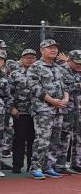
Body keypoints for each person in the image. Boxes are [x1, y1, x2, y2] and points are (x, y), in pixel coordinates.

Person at [27, 39, 69, 180]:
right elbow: (34, 87)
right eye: (50, 47)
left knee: (55, 140)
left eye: (55, 48)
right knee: (42, 139)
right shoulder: (35, 67)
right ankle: (36, 167)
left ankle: (48, 166)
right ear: (41, 50)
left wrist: (66, 99)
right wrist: (52, 101)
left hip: (59, 109)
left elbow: (66, 86)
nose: (53, 50)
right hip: (43, 109)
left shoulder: (59, 68)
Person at [10, 49, 37, 174]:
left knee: (34, 139)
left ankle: (32, 165)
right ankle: (17, 165)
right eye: (27, 57)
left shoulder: (40, 74)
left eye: (32, 58)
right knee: (19, 139)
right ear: (21, 59)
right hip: (20, 112)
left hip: (37, 112)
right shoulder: (15, 74)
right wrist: (12, 107)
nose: (29, 60)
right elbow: (9, 92)